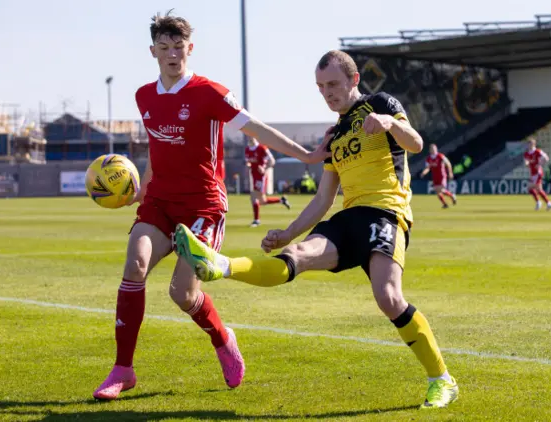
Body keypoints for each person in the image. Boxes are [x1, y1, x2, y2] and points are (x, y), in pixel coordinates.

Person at [175, 50, 459, 409]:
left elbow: (414, 143)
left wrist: (390, 124)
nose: (327, 93)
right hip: (348, 218)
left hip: (386, 214)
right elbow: (324, 198)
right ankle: (221, 265)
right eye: (321, 87)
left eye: (334, 85)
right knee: (294, 257)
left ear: (353, 80)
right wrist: (288, 233)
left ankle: (442, 379)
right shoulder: (334, 134)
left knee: (388, 297)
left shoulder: (380, 103)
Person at [92, 11, 328, 401]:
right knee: (134, 266)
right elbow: (155, 150)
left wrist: (306, 155)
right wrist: (142, 190)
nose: (172, 54)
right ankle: (123, 369)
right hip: (159, 203)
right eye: (164, 47)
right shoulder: (143, 96)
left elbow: (255, 127)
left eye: (179, 47)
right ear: (153, 51)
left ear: (190, 49)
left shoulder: (209, 93)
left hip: (203, 206)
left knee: (182, 294)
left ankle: (222, 338)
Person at [244, 137, 291, 227]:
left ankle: (256, 220)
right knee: (262, 201)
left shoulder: (262, 148)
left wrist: (264, 168)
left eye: (251, 136)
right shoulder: (247, 149)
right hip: (254, 176)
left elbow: (272, 161)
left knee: (254, 197)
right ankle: (281, 200)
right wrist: (249, 165)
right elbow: (248, 162)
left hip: (261, 177)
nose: (250, 138)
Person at [420, 144, 456, 208]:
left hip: (442, 176)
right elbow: (428, 168)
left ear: (436, 149)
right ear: (430, 150)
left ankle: (452, 195)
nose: (433, 150)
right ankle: (445, 204)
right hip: (435, 176)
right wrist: (423, 173)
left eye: (434, 148)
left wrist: (450, 173)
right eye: (432, 149)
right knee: (437, 191)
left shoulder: (440, 156)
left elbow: (448, 163)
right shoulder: (428, 158)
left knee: (441, 190)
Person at [524, 137, 551, 211]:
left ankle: (539, 202)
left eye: (531, 144)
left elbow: (546, 158)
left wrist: (540, 164)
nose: (529, 146)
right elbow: (526, 161)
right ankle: (548, 203)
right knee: (536, 189)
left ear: (534, 144)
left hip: (538, 173)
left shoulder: (538, 151)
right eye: (528, 144)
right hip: (533, 173)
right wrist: (527, 163)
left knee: (531, 188)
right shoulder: (526, 153)